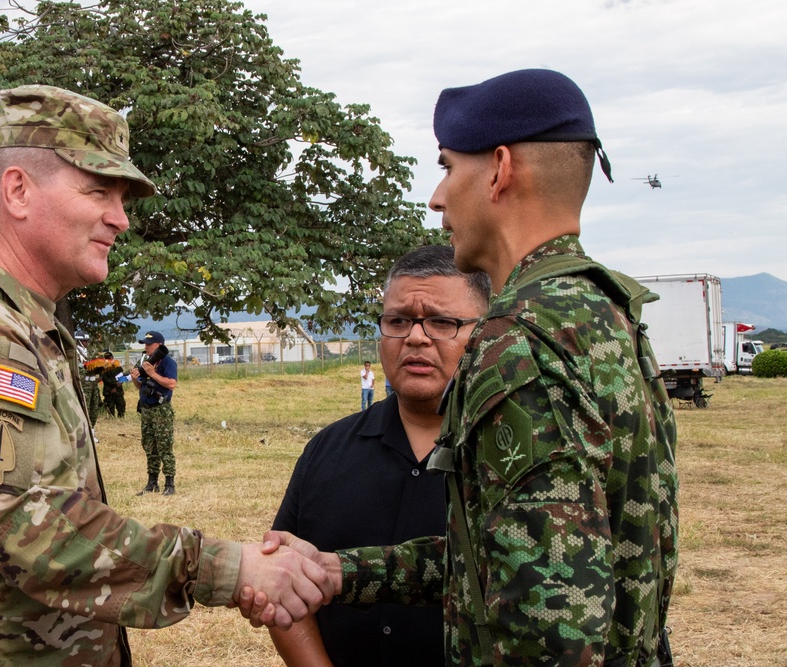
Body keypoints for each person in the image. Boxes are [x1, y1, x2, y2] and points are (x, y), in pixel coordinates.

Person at [0, 84, 331, 666]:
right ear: (17, 190)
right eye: (98, 191)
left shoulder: (12, 319)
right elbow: (37, 533)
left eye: (123, 199)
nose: (120, 219)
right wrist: (228, 567)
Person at [246, 69, 678, 667]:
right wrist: (342, 570)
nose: (437, 197)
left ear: (499, 170)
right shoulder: (604, 313)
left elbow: (552, 627)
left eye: (447, 167)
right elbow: (513, 552)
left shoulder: (521, 340)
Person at [270, 245, 490, 667]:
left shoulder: (513, 457)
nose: (416, 336)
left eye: (442, 322)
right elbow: (284, 583)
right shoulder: (328, 449)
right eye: (398, 321)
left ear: (484, 333)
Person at [130, 331, 178, 495]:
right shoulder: (144, 362)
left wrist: (152, 374)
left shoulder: (167, 362)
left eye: (149, 344)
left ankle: (170, 484)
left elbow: (171, 384)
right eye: (145, 344)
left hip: (161, 410)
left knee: (164, 446)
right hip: (146, 409)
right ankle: (152, 483)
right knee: (149, 446)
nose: (146, 347)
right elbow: (140, 387)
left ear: (159, 345)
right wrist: (136, 377)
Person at [100, 351, 127, 418]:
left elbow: (122, 377)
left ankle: (121, 418)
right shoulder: (103, 368)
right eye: (107, 358)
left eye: (110, 358)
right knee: (110, 407)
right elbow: (105, 379)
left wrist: (117, 386)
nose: (108, 360)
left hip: (118, 390)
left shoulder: (118, 367)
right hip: (109, 391)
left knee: (121, 406)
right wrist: (115, 384)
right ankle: (111, 418)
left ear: (112, 358)